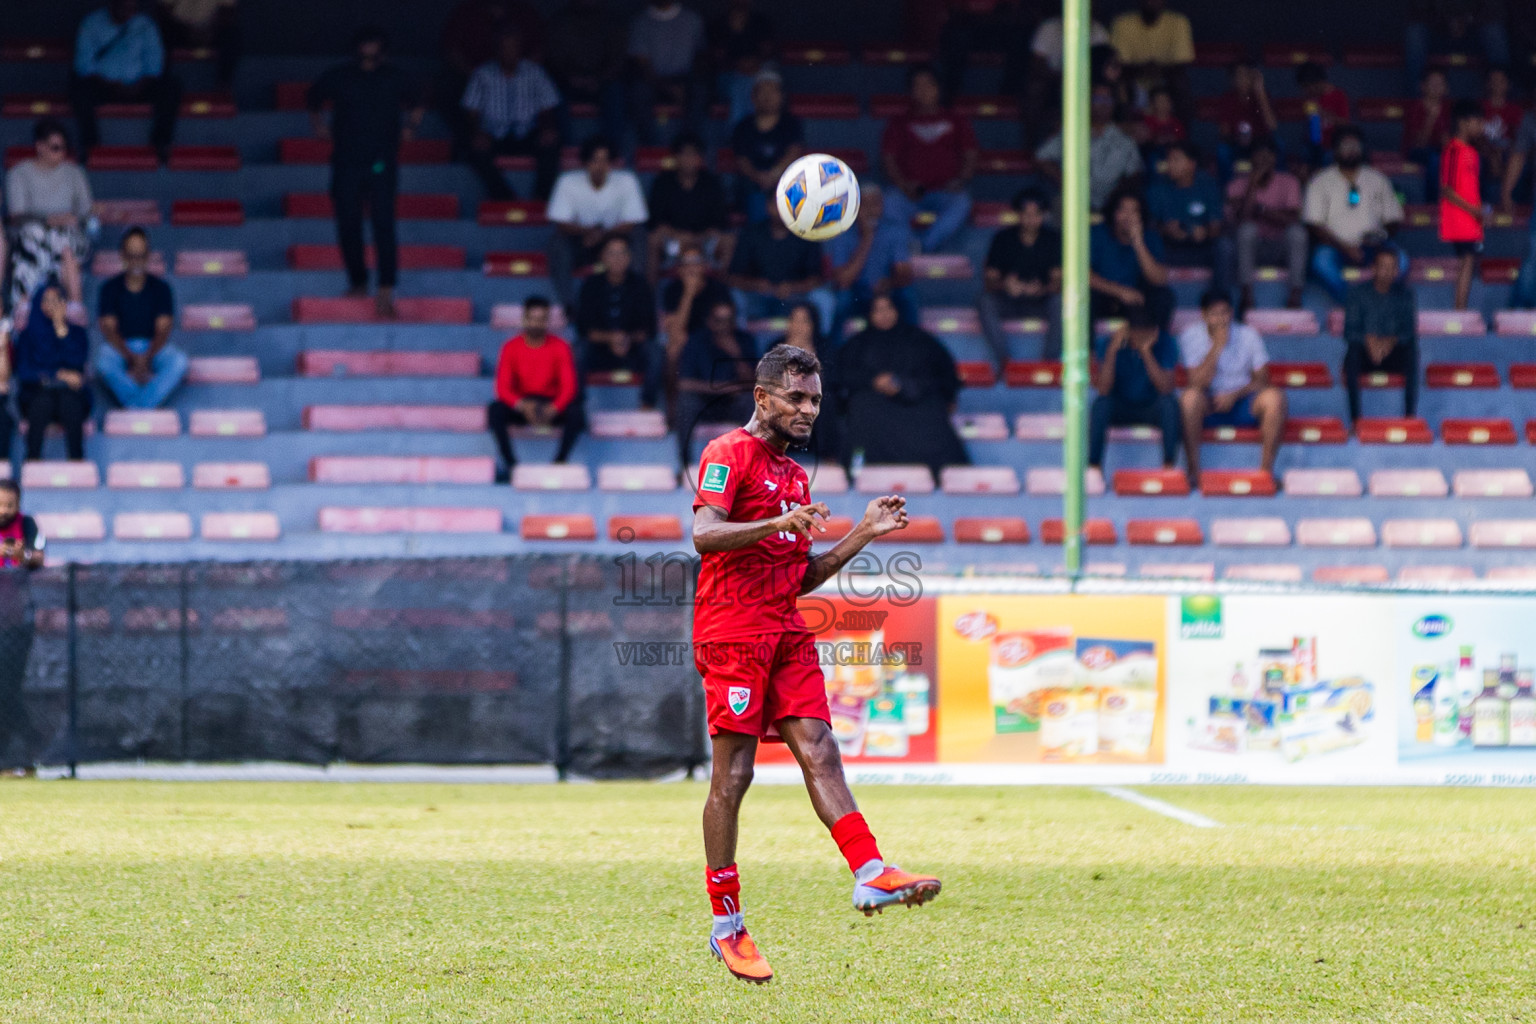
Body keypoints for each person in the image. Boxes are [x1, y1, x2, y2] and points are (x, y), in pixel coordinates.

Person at [692, 342, 939, 985]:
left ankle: (870, 872)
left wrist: (862, 533)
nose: (808, 410)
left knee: (821, 748)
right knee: (734, 775)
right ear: (762, 396)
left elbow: (801, 577)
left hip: (785, 629)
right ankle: (726, 924)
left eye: (816, 400)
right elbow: (704, 534)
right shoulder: (726, 453)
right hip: (732, 632)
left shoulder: (796, 478)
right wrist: (778, 519)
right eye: (796, 398)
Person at [307, 27, 425, 321]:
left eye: (374, 45)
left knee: (383, 223)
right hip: (346, 161)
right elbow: (313, 97)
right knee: (348, 223)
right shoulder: (340, 75)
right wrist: (318, 124)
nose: (369, 51)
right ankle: (358, 282)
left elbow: (420, 98)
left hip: (381, 163)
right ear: (357, 47)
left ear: (382, 49)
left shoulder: (395, 76)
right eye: (365, 45)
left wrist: (411, 125)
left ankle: (385, 289)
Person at [837, 293, 968, 483]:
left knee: (933, 409)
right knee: (862, 406)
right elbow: (842, 375)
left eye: (888, 308)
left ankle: (943, 477)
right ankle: (862, 476)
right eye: (878, 310)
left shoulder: (920, 340)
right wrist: (873, 381)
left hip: (916, 400)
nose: (884, 314)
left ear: (898, 311)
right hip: (874, 402)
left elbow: (943, 374)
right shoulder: (857, 343)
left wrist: (903, 385)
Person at [1177, 289, 1285, 483]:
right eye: (1214, 314)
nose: (1221, 319)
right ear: (1204, 315)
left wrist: (1234, 395)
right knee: (1189, 399)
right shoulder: (1191, 335)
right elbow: (1195, 383)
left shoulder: (1248, 334)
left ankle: (1265, 473)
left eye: (1225, 312)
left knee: (1275, 398)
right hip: (1209, 402)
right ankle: (1193, 472)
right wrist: (1217, 346)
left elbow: (1263, 380)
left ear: (1232, 312)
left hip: (1243, 401)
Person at [879, 65, 977, 254]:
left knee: (962, 202)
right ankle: (909, 245)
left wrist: (961, 180)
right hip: (910, 192)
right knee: (889, 201)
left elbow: (970, 154)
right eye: (917, 86)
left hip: (946, 191)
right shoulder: (899, 122)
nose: (923, 91)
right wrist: (903, 184)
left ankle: (922, 247)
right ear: (910, 91)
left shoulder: (956, 120)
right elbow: (889, 158)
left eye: (928, 85)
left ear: (938, 89)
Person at [70, 0, 182, 164]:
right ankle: (89, 144)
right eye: (123, 7)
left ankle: (161, 142)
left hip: (140, 87)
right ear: (112, 5)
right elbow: (84, 64)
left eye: (131, 9)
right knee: (78, 87)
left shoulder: (145, 25)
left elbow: (155, 64)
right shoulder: (91, 23)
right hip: (104, 86)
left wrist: (139, 85)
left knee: (172, 87)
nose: (127, 13)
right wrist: (110, 84)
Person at [1303, 127, 1407, 304]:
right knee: (1320, 262)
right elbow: (1313, 225)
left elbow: (1393, 220)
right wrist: (1346, 247)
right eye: (1346, 146)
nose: (1351, 150)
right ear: (1335, 150)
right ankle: (1351, 302)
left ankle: (1375, 299)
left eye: (1355, 146)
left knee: (1402, 261)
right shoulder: (1320, 180)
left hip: (1373, 246)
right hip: (1335, 247)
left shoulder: (1377, 179)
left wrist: (1378, 237)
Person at [545, 136, 648, 313]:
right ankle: (569, 306)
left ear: (612, 163)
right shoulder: (568, 181)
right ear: (585, 162)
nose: (600, 166)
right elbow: (561, 224)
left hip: (616, 239)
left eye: (605, 160)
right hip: (581, 240)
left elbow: (632, 222)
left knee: (640, 237)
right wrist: (587, 232)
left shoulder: (627, 180)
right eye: (595, 160)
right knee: (557, 243)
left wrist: (602, 235)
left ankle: (636, 300)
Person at [461, 26, 562, 201]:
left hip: (527, 133)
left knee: (551, 141)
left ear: (520, 49)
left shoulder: (535, 72)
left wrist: (547, 128)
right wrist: (477, 133)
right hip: (493, 134)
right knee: (473, 149)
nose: (509, 52)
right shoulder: (482, 74)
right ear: (497, 50)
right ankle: (505, 198)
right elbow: (471, 111)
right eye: (505, 47)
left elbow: (548, 108)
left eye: (514, 47)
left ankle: (541, 199)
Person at [487, 295, 583, 474]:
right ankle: (511, 465)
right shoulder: (510, 347)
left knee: (576, 414)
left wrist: (554, 408)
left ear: (547, 321)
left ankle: (560, 461)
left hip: (550, 404)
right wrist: (523, 406)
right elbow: (502, 389)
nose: (537, 324)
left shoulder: (561, 346)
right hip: (523, 403)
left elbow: (569, 388)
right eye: (532, 319)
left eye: (541, 319)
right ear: (525, 319)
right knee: (495, 410)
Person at [93, 227, 187, 409]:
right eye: (131, 255)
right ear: (122, 256)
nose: (136, 261)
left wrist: (146, 357)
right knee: (103, 361)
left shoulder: (161, 288)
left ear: (148, 255)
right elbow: (109, 330)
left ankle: (137, 407)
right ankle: (143, 407)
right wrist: (131, 357)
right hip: (120, 348)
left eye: (141, 255)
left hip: (154, 347)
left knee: (179, 361)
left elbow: (163, 330)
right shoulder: (109, 288)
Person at [437, 0, 544, 159]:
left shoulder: (524, 11)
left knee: (547, 137)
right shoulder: (466, 12)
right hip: (471, 77)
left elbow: (540, 49)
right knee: (448, 89)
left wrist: (516, 74)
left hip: (520, 85)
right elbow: (451, 50)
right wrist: (477, 75)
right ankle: (463, 148)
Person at [5, 120, 90, 314]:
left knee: (66, 242)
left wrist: (71, 220)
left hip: (68, 237)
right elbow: (16, 215)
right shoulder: (19, 173)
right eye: (55, 148)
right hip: (32, 236)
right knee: (32, 236)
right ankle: (24, 307)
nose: (61, 153)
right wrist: (49, 220)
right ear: (40, 147)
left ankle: (74, 305)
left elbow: (85, 211)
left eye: (64, 148)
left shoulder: (74, 173)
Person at [1088, 303, 1180, 475]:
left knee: (1169, 404)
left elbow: (1166, 389)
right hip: (1120, 407)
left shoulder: (1165, 342)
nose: (1140, 339)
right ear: (1128, 331)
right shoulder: (1107, 343)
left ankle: (1168, 466)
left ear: (1154, 331)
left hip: (1151, 407)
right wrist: (1112, 351)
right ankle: (1094, 468)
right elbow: (1103, 390)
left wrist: (1145, 352)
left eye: (1146, 334)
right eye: (1137, 334)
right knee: (1100, 404)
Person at [574, 234, 662, 409]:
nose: (617, 258)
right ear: (602, 257)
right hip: (600, 350)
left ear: (629, 257)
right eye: (612, 253)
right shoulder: (591, 285)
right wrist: (611, 339)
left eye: (622, 253)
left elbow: (648, 328)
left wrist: (626, 339)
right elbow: (584, 328)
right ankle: (577, 408)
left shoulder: (641, 285)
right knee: (578, 351)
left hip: (632, 350)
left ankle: (647, 405)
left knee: (655, 352)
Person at [978, 187, 1061, 368]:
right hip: (1010, 300)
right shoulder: (1003, 238)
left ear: (1044, 215)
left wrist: (1042, 289)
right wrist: (1006, 285)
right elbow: (989, 280)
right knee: (985, 302)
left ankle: (1050, 362)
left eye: (1036, 214)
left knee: (1060, 302)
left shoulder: (1053, 239)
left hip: (1040, 302)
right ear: (1018, 214)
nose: (1031, 219)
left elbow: (1058, 282)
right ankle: (1005, 362)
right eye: (1026, 214)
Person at [1221, 138, 1307, 312]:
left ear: (1275, 159)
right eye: (1259, 156)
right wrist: (1252, 186)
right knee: (1247, 230)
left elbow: (1292, 220)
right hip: (1251, 250)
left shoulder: (1289, 181)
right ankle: (1247, 297)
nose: (1263, 161)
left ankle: (1295, 296)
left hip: (1281, 248)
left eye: (1268, 156)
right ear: (1251, 158)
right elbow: (1242, 220)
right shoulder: (1236, 185)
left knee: (1297, 233)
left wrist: (1260, 210)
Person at [823, 184, 916, 345]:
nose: (871, 210)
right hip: (856, 292)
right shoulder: (842, 233)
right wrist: (867, 239)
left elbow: (904, 273)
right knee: (842, 300)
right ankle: (834, 352)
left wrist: (889, 282)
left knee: (908, 295)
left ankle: (914, 347)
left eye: (876, 204)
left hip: (885, 290)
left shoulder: (894, 230)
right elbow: (843, 280)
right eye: (865, 205)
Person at [728, 195, 834, 332]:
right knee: (735, 296)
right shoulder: (751, 233)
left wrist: (792, 287)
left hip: (795, 298)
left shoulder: (806, 234)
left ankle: (821, 343)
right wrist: (755, 284)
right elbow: (733, 277)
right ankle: (742, 342)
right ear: (768, 206)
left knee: (824, 298)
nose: (781, 210)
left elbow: (816, 279)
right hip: (757, 296)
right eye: (777, 205)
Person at [675, 298, 758, 470]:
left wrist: (736, 354)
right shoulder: (697, 341)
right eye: (719, 321)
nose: (724, 326)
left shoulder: (744, 340)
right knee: (685, 402)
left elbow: (754, 382)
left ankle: (749, 465)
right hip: (703, 403)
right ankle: (685, 465)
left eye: (729, 320)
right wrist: (720, 388)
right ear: (710, 321)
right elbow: (683, 383)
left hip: (732, 404)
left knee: (752, 402)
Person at [13, 282, 91, 462]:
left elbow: (77, 362)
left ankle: (77, 463)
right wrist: (58, 375)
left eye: (56, 300)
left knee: (69, 403)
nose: (52, 305)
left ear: (64, 304)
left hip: (70, 394)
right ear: (38, 303)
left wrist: (61, 328)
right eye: (46, 300)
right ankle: (32, 462)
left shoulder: (77, 333)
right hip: (36, 394)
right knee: (43, 402)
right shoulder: (27, 336)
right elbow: (24, 372)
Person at [1036, 83, 1143, 212]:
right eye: (1098, 99)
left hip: (1111, 203)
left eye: (1107, 100)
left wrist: (1115, 196)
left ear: (1114, 104)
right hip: (1074, 200)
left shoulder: (1125, 139)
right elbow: (1041, 157)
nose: (1103, 104)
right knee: (1059, 204)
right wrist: (1065, 182)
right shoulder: (1073, 132)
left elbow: (1135, 173)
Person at [1342, 246, 1418, 428]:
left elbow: (1409, 331)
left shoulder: (1405, 295)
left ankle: (1409, 419)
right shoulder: (1357, 293)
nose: (1387, 272)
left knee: (1412, 352)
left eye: (1392, 267)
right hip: (1365, 356)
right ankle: (1356, 421)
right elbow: (1349, 331)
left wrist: (1389, 342)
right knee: (1353, 352)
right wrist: (1369, 341)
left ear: (1397, 271)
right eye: (1383, 266)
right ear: (1373, 268)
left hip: (1392, 356)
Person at [0, 480, 45, 774]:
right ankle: (30, 747)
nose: (4, 510)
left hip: (16, 624)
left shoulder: (27, 525)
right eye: (0, 504)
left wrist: (20, 555)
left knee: (7, 688)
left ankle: (25, 749)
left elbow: (38, 557)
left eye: (9, 505)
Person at [543, 0, 628, 153]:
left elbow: (617, 59)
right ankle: (567, 150)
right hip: (568, 82)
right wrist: (570, 77)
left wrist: (598, 79)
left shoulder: (611, 21)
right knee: (553, 94)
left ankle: (612, 152)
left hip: (601, 82)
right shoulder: (560, 21)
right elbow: (553, 59)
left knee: (616, 92)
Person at [647, 132, 732, 280]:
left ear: (700, 158)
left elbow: (720, 221)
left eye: (693, 155)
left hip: (704, 241)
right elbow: (655, 221)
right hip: (674, 241)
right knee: (653, 239)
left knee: (729, 241)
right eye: (684, 154)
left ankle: (722, 289)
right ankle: (650, 291)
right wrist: (678, 235)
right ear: (676, 157)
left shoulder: (712, 183)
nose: (688, 159)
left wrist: (698, 237)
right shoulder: (662, 182)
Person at [1146, 140, 1227, 294]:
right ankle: (1154, 297)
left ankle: (1218, 299)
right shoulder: (1157, 188)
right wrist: (1166, 230)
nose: (1170, 164)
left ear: (1191, 164)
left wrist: (1204, 232)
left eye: (1176, 159)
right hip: (1169, 249)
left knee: (1224, 246)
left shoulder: (1207, 185)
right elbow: (1149, 225)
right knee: (1149, 243)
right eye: (1168, 160)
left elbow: (1216, 225)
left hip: (1201, 247)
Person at [1090, 186, 1173, 330]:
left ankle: (1153, 343)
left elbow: (1159, 279)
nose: (1128, 216)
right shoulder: (1097, 233)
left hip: (1136, 297)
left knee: (1163, 296)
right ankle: (1086, 345)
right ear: (1113, 212)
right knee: (1085, 299)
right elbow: (1082, 275)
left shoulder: (1150, 237)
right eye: (1123, 210)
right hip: (1104, 294)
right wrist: (1120, 291)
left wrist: (1138, 242)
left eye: (1134, 211)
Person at [766, 301, 839, 460]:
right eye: (794, 320)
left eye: (804, 321)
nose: (799, 326)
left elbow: (829, 381)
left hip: (813, 397)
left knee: (826, 402)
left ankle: (828, 457)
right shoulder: (774, 346)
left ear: (813, 325)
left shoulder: (824, 347)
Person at [626, 0, 707, 144]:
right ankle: (650, 146)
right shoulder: (641, 22)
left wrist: (683, 86)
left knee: (699, 91)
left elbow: (700, 58)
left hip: (684, 78)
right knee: (638, 92)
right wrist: (668, 88)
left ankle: (688, 146)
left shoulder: (692, 19)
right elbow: (643, 65)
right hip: (652, 80)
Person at [729, 70, 803, 223]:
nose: (767, 96)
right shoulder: (743, 127)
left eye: (772, 91)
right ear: (753, 96)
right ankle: (760, 235)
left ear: (781, 96)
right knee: (752, 194)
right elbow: (742, 160)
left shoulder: (791, 124)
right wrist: (758, 177)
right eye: (762, 91)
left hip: (783, 180)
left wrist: (774, 175)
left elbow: (793, 152)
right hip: (752, 183)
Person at [1025, 11, 1109, 146]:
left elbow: (1103, 66)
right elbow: (1037, 64)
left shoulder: (1099, 31)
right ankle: (1032, 145)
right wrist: (1064, 78)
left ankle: (1101, 142)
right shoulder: (1049, 27)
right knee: (1035, 89)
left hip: (1087, 84)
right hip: (1053, 81)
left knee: (1105, 93)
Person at [1108, 0, 1194, 124]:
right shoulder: (1123, 23)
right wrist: (1147, 68)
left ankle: (1180, 131)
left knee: (1181, 83)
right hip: (1134, 81)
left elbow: (1181, 64)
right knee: (1120, 84)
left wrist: (1154, 69)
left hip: (1165, 82)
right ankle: (1125, 129)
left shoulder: (1178, 22)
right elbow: (1121, 65)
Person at [1441, 100, 1487, 311]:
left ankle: (1461, 309)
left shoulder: (1471, 151)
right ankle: (1459, 310)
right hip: (1460, 219)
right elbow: (1447, 189)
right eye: (1477, 121)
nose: (1481, 126)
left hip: (1471, 220)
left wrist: (1478, 212)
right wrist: (1474, 210)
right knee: (1466, 262)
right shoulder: (1453, 150)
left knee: (1468, 262)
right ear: (1463, 122)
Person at [709, 0, 774, 126]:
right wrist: (738, 65)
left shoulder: (761, 23)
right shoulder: (718, 25)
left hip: (757, 74)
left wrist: (754, 64)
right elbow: (715, 58)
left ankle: (754, 132)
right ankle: (743, 133)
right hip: (728, 78)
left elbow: (768, 52)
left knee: (757, 84)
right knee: (740, 86)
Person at [1213, 63, 1277, 183]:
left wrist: (1260, 92)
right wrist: (1237, 138)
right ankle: (1227, 187)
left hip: (1260, 142)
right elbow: (1224, 132)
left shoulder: (1263, 95)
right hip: (1236, 142)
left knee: (1279, 146)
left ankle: (1276, 187)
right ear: (1232, 80)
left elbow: (1272, 125)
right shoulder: (1227, 98)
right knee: (1222, 151)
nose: (1243, 80)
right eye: (1239, 76)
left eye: (1247, 75)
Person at [156, 0, 240, 86]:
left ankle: (224, 82)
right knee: (162, 31)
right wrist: (187, 30)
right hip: (180, 29)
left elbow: (228, 11)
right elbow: (163, 9)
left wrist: (210, 31)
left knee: (232, 34)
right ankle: (163, 81)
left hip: (212, 31)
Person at [1404, 69, 1452, 203]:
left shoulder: (1448, 108)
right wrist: (1430, 118)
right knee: (1436, 160)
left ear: (1446, 88)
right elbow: (1419, 144)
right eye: (1432, 83)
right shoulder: (1415, 108)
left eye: (1440, 83)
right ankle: (1433, 204)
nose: (1436, 87)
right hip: (1417, 152)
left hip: (1442, 150)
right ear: (1423, 86)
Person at [1295, 62, 1350, 171]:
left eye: (1308, 87)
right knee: (1303, 160)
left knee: (1327, 158)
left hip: (1331, 145)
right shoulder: (1310, 98)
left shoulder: (1339, 95)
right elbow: (1312, 130)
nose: (1306, 91)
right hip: (1313, 144)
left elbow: (1345, 123)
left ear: (1318, 83)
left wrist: (1322, 112)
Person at [1480, 67, 1523, 191]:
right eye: (1493, 80)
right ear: (1488, 84)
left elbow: (1520, 137)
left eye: (1501, 81)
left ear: (1508, 85)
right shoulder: (1480, 106)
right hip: (1484, 148)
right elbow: (1475, 134)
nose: (1497, 84)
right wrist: (1491, 150)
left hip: (1508, 149)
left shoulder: (1515, 110)